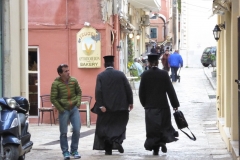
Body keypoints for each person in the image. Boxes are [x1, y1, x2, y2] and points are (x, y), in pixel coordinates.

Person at [91, 55, 133, 155]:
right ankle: (117, 141)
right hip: (121, 107)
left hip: (106, 108)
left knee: (105, 127)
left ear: (104, 64)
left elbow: (98, 91)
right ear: (113, 64)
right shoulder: (121, 74)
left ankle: (108, 150)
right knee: (119, 125)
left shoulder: (101, 76)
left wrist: (101, 105)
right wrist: (130, 102)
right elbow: (128, 89)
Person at [139, 53, 180, 155]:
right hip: (163, 106)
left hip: (150, 107)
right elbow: (170, 90)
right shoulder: (164, 74)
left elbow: (141, 93)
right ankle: (162, 142)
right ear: (157, 62)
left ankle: (155, 149)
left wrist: (145, 104)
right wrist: (175, 104)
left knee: (152, 129)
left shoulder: (145, 75)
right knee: (163, 126)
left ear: (148, 63)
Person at [50, 64, 82, 160]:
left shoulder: (74, 81)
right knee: (63, 132)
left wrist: (78, 103)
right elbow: (53, 98)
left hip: (74, 109)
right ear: (60, 73)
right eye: (65, 71)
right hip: (64, 110)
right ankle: (65, 152)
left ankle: (74, 150)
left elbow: (79, 92)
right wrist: (61, 109)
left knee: (77, 129)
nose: (68, 72)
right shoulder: (55, 84)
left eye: (68, 70)